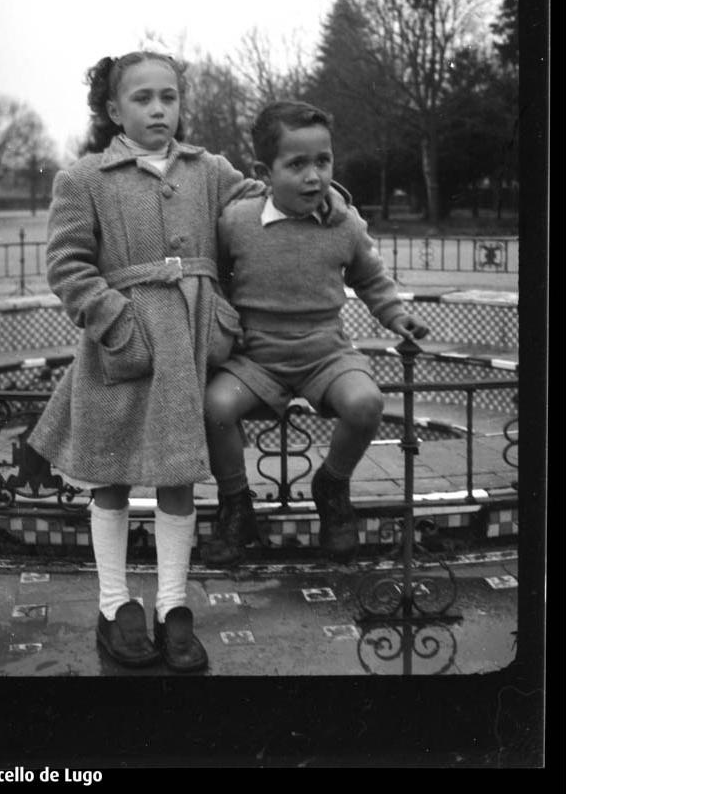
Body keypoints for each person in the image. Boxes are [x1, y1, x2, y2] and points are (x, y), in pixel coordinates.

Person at [27, 53, 346, 672]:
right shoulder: (85, 179)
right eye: (142, 99)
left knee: (177, 478)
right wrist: (119, 324)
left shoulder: (210, 170)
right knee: (112, 477)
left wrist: (327, 195)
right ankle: (115, 605)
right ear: (115, 110)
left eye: (168, 98)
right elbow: (67, 266)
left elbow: (270, 194)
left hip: (188, 349)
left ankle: (173, 607)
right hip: (121, 352)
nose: (158, 110)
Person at [201, 100, 430, 566]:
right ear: (266, 170)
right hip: (256, 357)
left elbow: (369, 277)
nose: (314, 177)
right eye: (297, 164)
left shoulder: (344, 224)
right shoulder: (237, 223)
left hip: (325, 353)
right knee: (216, 407)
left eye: (323, 161)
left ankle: (332, 486)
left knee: (367, 403)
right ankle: (236, 505)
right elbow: (218, 277)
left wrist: (395, 316)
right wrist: (223, 323)